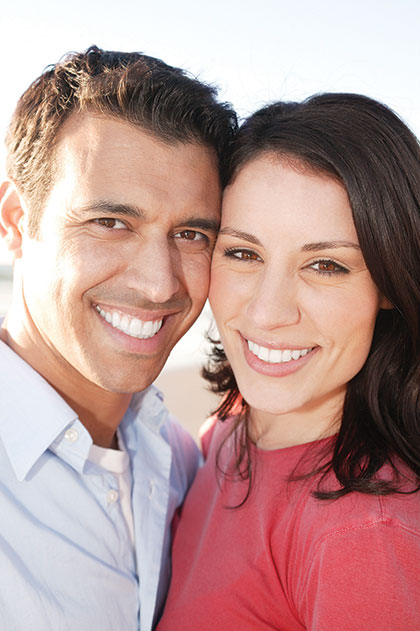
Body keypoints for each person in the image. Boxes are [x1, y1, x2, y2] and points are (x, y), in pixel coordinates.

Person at [157, 93, 420, 630]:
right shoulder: (232, 423)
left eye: (325, 265)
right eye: (243, 253)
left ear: (389, 282)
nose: (269, 312)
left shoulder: (365, 534)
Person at [0, 46, 236, 631]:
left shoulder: (182, 463)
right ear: (14, 222)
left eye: (190, 233)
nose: (159, 285)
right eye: (111, 223)